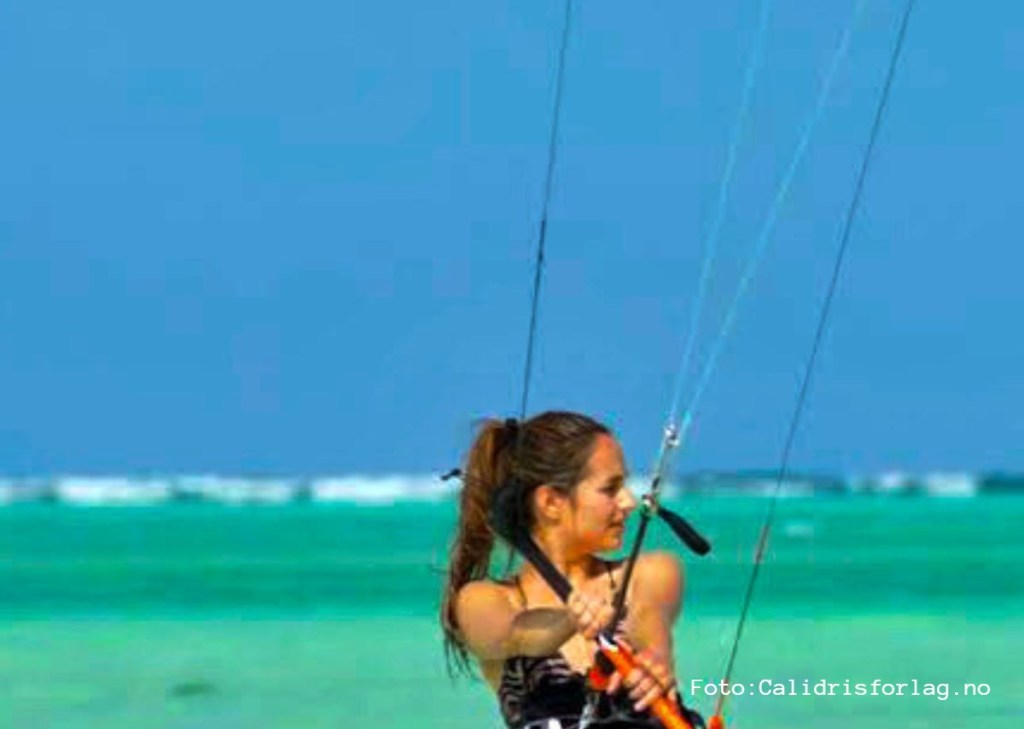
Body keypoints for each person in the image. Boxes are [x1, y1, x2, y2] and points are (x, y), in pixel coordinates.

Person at [440, 411, 704, 729]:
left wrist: (655, 658)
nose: (629, 502)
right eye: (610, 488)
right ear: (551, 502)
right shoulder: (483, 600)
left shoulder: (650, 571)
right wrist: (569, 620)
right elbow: (515, 633)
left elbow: (649, 617)